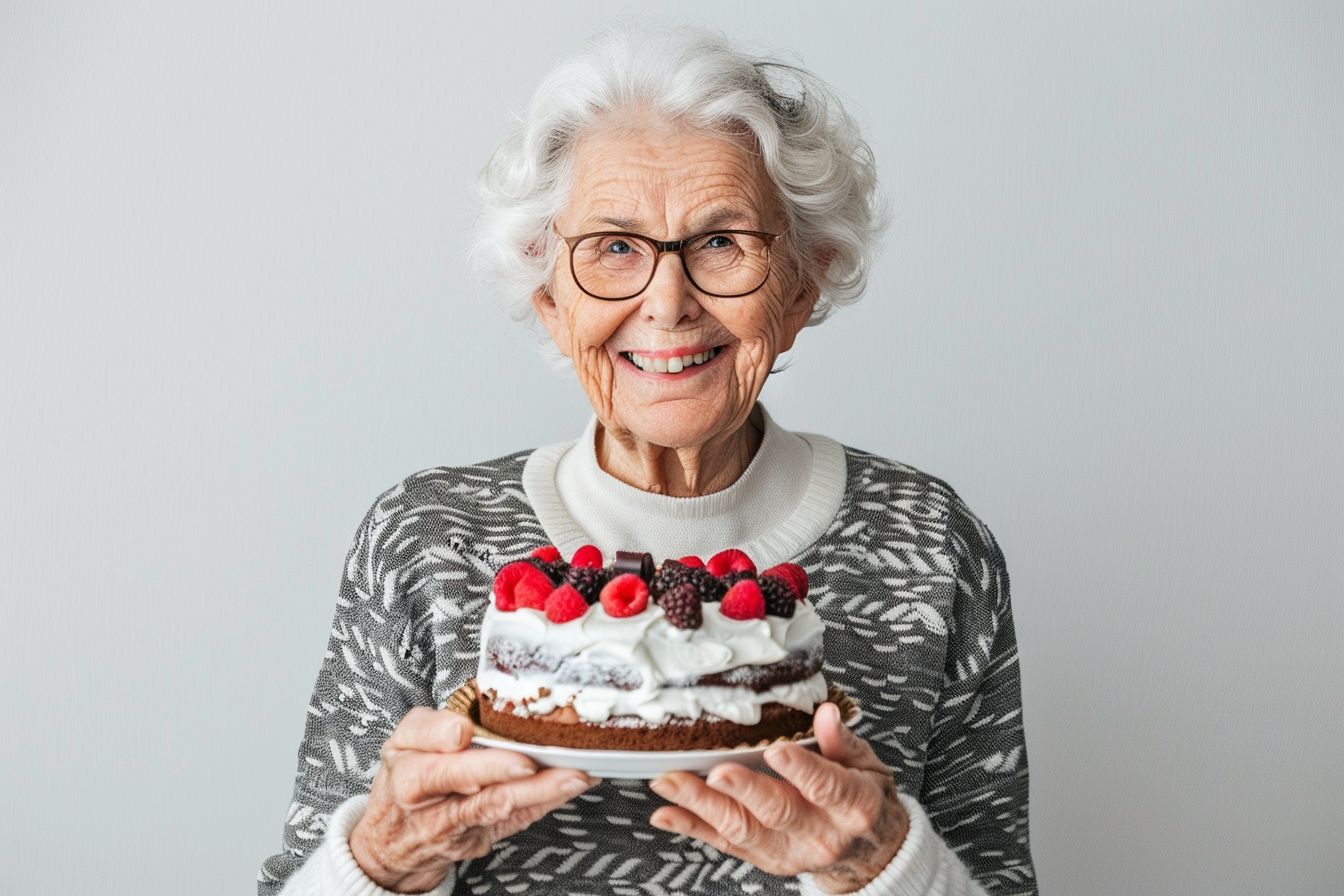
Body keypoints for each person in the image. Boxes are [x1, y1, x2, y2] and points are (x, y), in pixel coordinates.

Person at [259, 22, 1035, 896]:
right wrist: (381, 862)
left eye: (721, 242)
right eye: (615, 247)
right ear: (549, 298)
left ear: (803, 288)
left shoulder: (931, 548)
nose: (668, 305)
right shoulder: (427, 543)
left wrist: (888, 868)